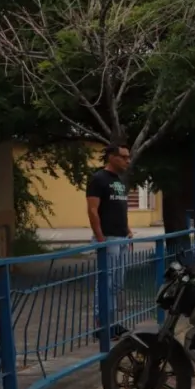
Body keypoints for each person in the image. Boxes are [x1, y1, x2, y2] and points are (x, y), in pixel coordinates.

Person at [87, 144, 133, 339]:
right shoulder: (98, 179)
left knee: (117, 283)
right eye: (124, 157)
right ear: (112, 157)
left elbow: (121, 208)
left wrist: (128, 230)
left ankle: (112, 322)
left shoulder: (120, 181)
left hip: (121, 236)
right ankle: (102, 324)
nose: (127, 161)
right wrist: (100, 238)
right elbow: (92, 210)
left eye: (128, 157)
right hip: (108, 238)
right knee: (106, 282)